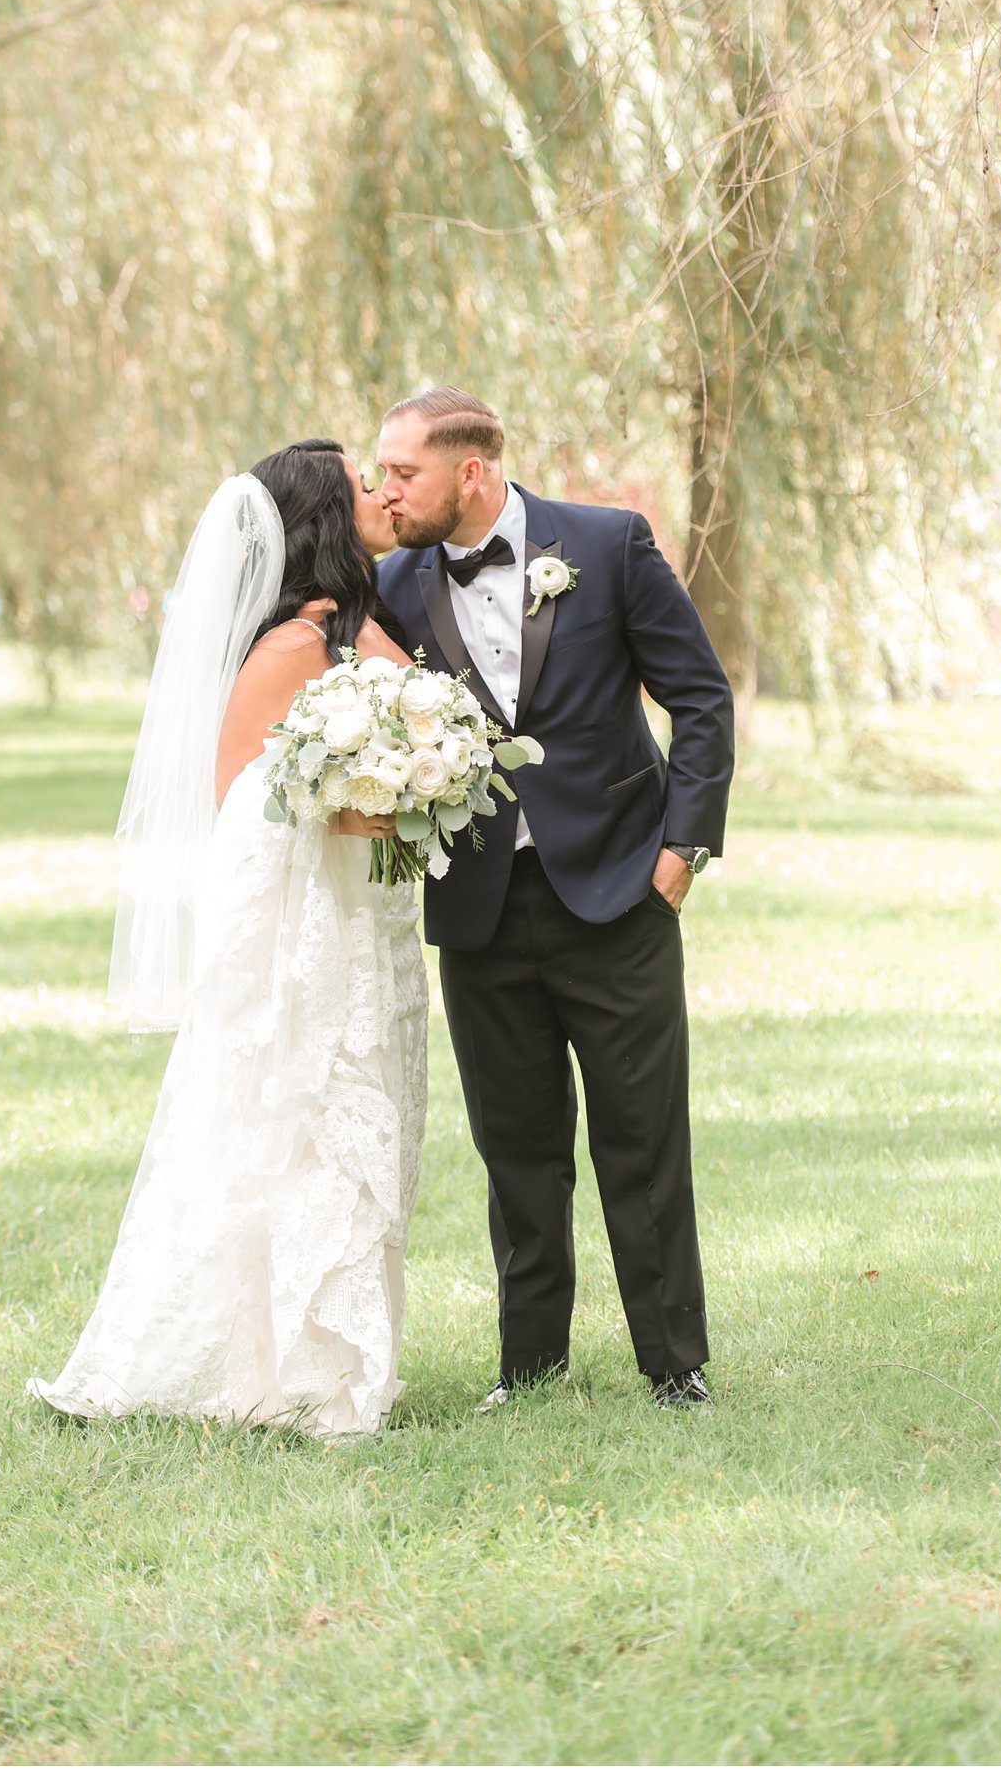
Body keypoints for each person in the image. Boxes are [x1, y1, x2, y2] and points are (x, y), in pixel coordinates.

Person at [28, 442, 427, 1438]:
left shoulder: (359, 627)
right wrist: (345, 811)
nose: (382, 493)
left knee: (360, 1122)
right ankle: (284, 1372)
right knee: (295, 1130)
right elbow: (239, 797)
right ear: (326, 522)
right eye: (361, 486)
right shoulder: (292, 646)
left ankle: (332, 1358)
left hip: (367, 920)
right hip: (304, 932)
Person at [376, 388, 734, 1410]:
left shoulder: (607, 544)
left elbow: (698, 696)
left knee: (641, 1139)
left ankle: (674, 1367)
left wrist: (680, 853)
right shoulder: (394, 587)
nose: (384, 488)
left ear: (471, 472)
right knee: (515, 1148)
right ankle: (527, 1371)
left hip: (619, 894)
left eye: (403, 471)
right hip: (478, 909)